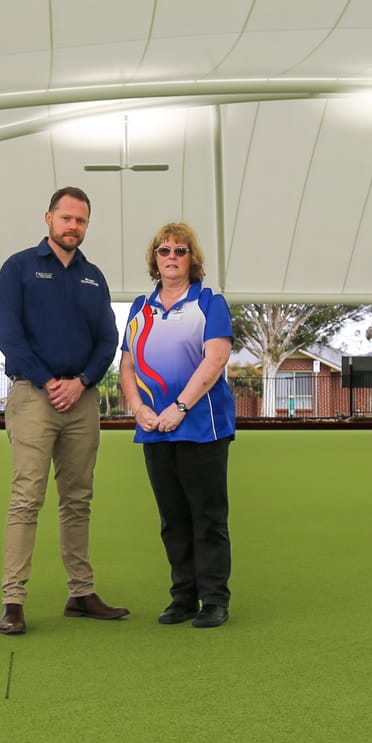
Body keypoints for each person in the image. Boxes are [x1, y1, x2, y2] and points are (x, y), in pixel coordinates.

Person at [0, 187, 123, 636]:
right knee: (27, 499)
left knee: (78, 500)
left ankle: (81, 594)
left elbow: (108, 339)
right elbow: (6, 333)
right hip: (34, 396)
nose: (73, 226)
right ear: (48, 218)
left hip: (81, 401)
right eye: (66, 218)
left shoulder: (93, 278)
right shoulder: (19, 268)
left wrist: (82, 382)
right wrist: (48, 381)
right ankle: (13, 601)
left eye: (80, 220)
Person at [119, 223, 236, 628]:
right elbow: (127, 364)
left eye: (180, 251)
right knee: (172, 519)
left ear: (192, 258)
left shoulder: (209, 302)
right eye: (164, 250)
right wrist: (138, 408)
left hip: (202, 426)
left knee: (207, 517)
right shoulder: (140, 307)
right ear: (155, 259)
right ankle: (183, 597)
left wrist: (181, 407)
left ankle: (214, 599)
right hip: (154, 428)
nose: (171, 257)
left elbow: (215, 359)